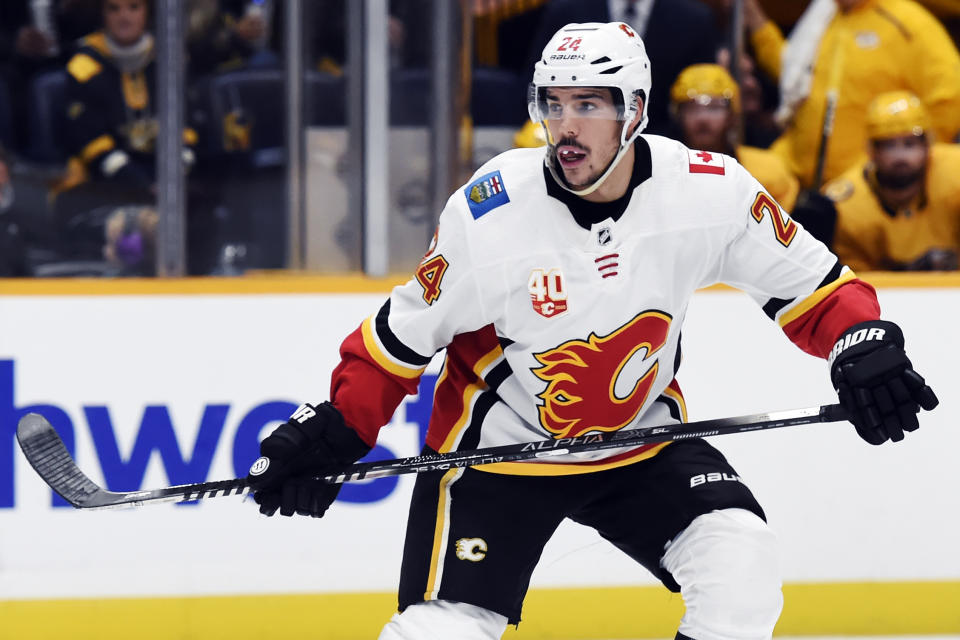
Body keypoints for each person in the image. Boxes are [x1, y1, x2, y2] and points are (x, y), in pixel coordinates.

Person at [246, 22, 938, 640]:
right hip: (500, 456)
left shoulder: (707, 191)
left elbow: (816, 288)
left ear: (633, 112)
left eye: (588, 105)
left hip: (642, 442)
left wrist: (861, 340)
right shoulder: (491, 214)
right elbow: (401, 338)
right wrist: (339, 428)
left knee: (742, 566)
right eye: (553, 103)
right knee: (440, 632)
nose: (565, 125)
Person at [743, 0, 960, 190]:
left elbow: (950, 97)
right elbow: (792, 78)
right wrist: (753, 16)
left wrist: (909, 162)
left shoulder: (907, 21)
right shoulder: (822, 16)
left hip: (870, 188)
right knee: (739, 178)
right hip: (795, 175)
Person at [823, 91, 960, 271]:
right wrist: (906, 271)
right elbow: (855, 279)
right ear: (871, 151)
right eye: (889, 145)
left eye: (909, 144)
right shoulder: (845, 205)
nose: (900, 155)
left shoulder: (954, 170)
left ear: (928, 145)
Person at [670, 63, 799, 211]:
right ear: (677, 116)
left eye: (714, 108)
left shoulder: (770, 174)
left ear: (733, 115)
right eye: (691, 108)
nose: (702, 118)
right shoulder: (661, 175)